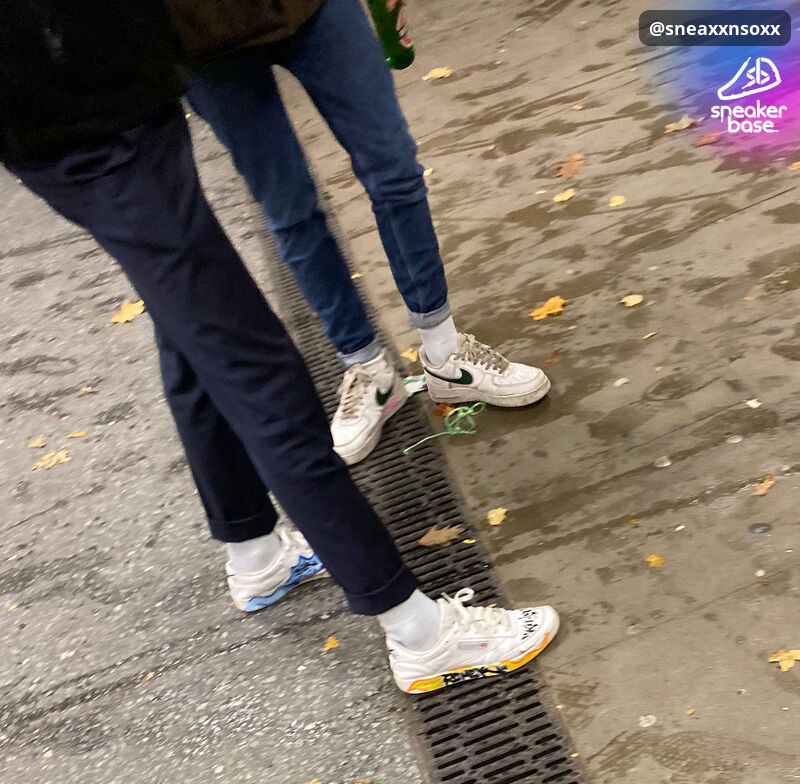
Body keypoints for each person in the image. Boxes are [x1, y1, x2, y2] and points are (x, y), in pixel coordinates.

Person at [1, 0, 559, 694]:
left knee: (188, 333)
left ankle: (255, 553)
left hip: (106, 103)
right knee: (258, 372)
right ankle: (419, 633)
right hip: (83, 115)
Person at [165, 0, 552, 466]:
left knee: (394, 171)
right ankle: (368, 369)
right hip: (201, 36)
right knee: (290, 209)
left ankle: (446, 355)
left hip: (313, 9)